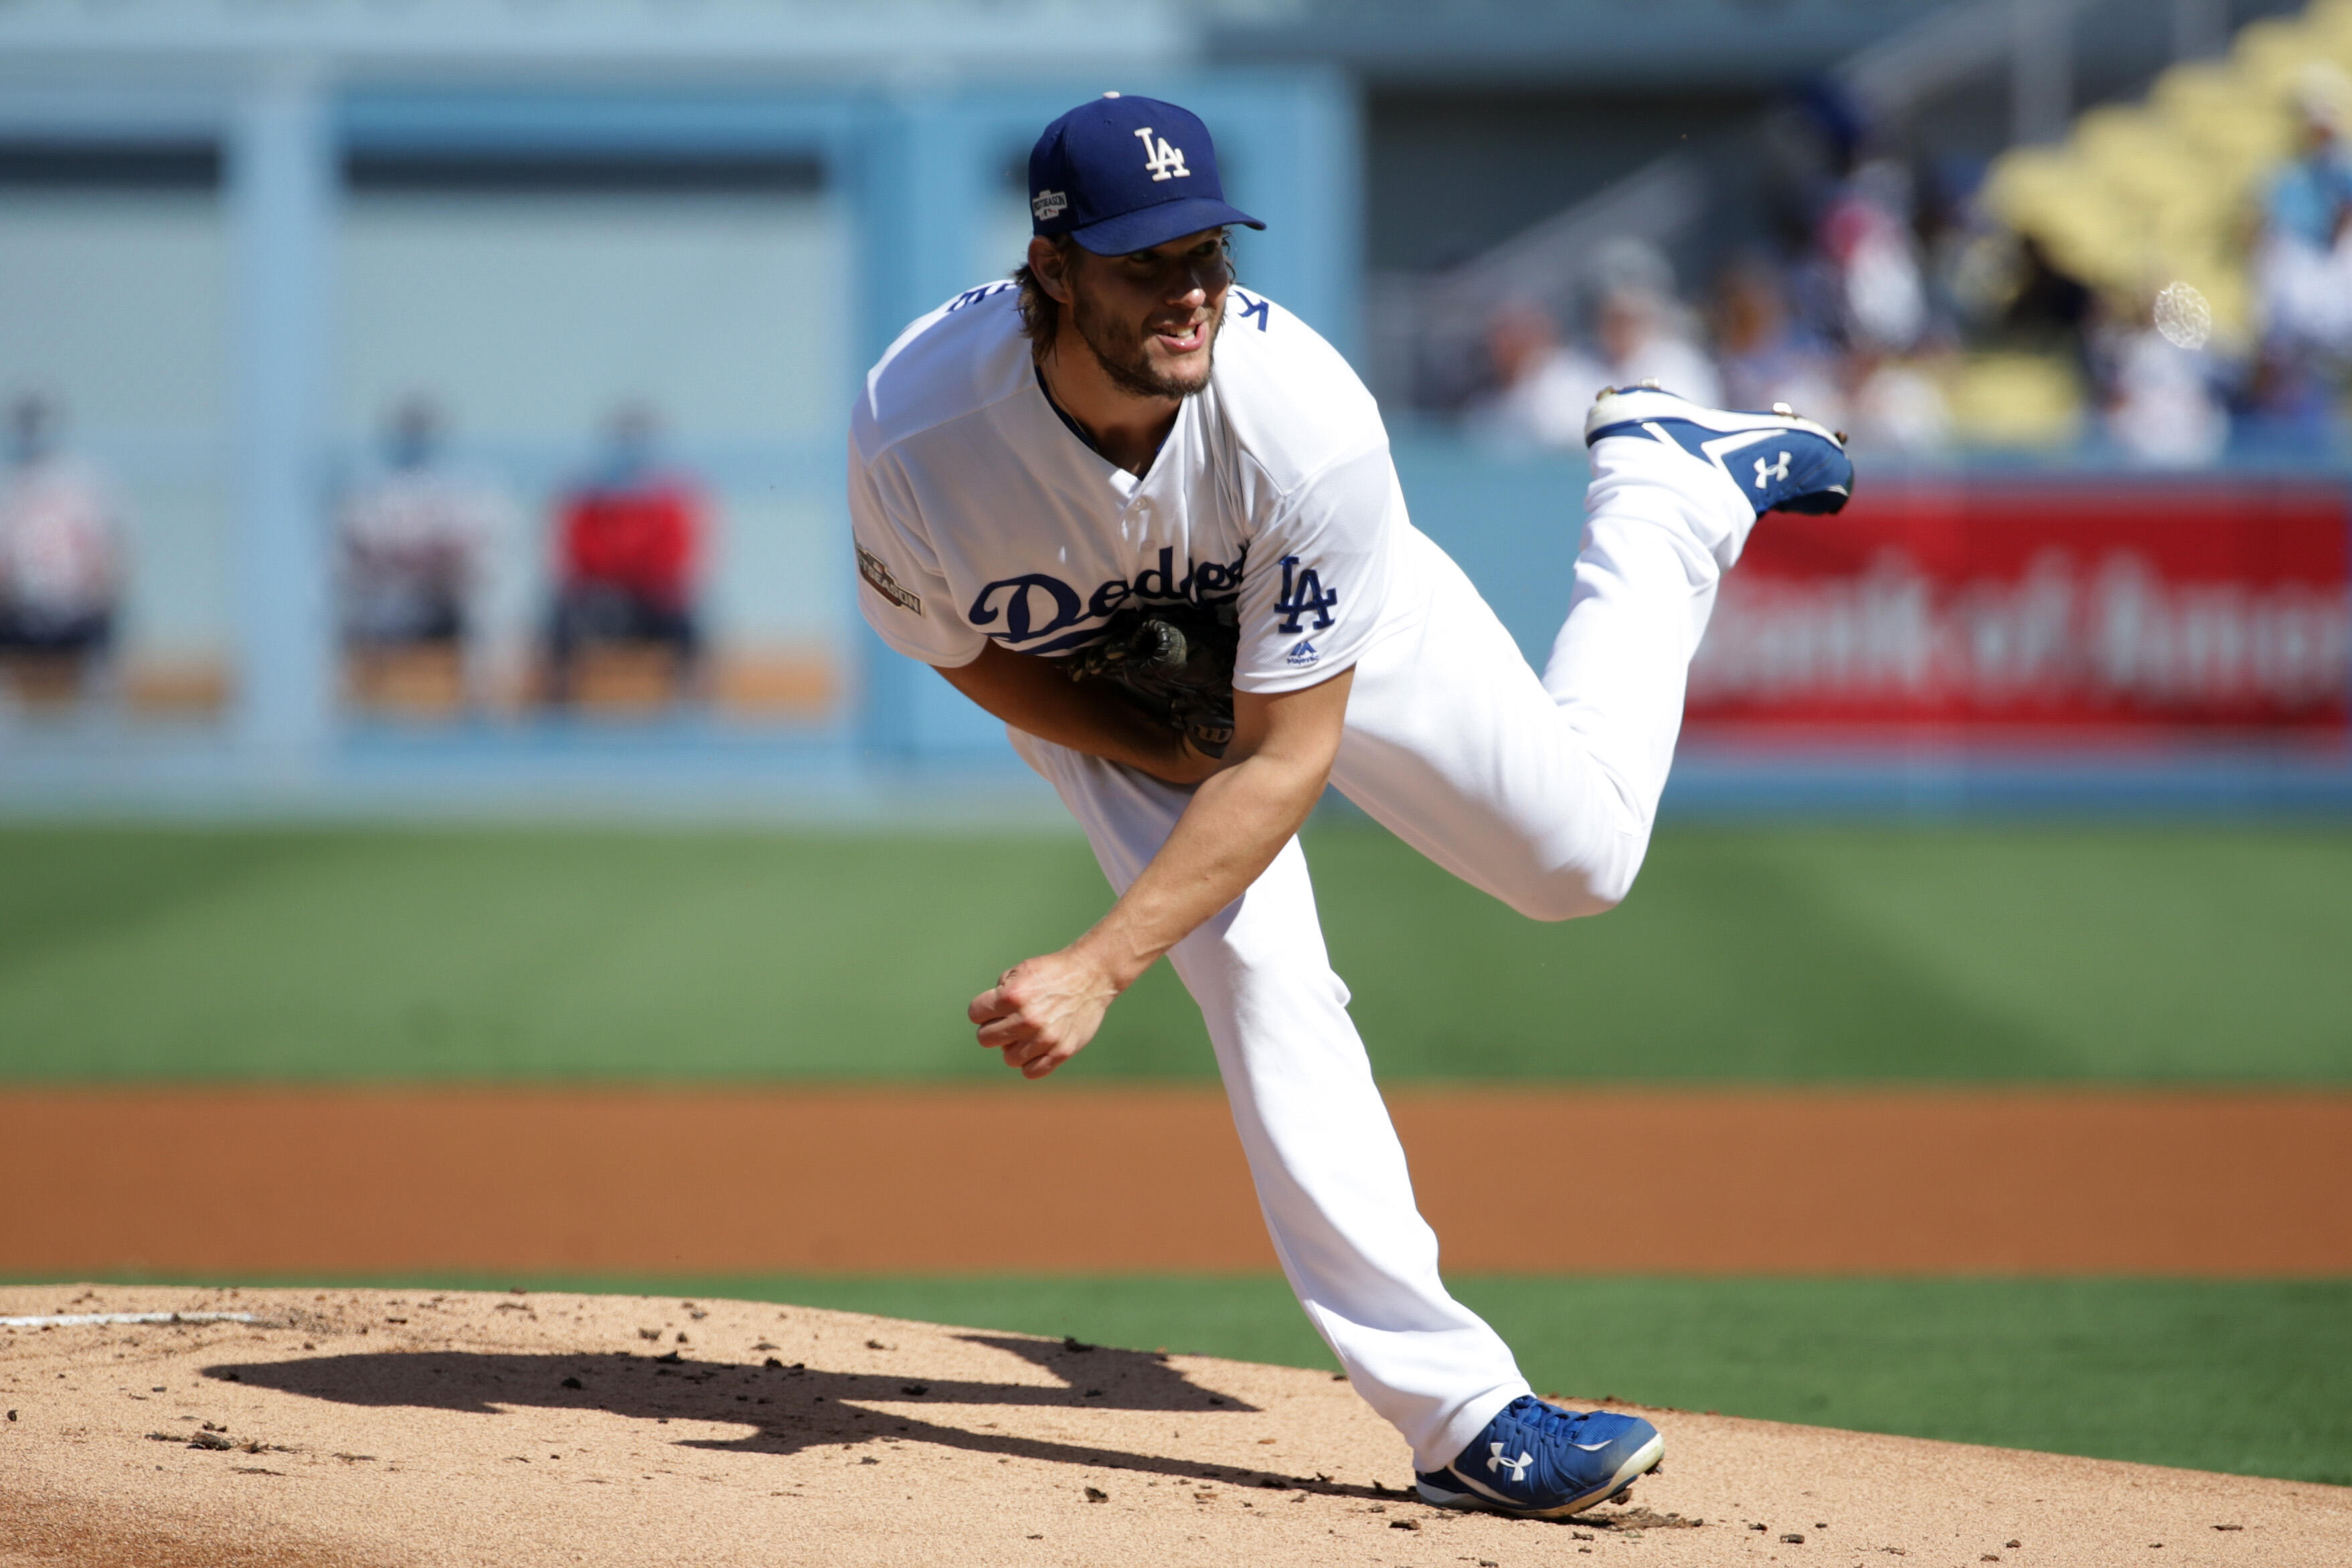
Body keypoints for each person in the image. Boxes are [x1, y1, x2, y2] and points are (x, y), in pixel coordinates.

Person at [847, 94, 1851, 1517]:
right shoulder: (915, 434)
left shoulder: (1302, 416)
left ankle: (1663, 493)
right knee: (1262, 978)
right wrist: (1142, 741)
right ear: (1050, 271)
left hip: (1316, 643)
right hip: (1105, 684)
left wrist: (1099, 959)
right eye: (1145, 260)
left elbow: (1281, 757)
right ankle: (1461, 1413)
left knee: (1576, 864)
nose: (1189, 288)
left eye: (1206, 249)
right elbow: (964, 652)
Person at [339, 398, 513, 695]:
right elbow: (357, 542)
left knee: (484, 614)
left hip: (442, 598)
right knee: (336, 616)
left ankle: (479, 710)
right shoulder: (369, 483)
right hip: (385, 598)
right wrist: (403, 558)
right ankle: (355, 709)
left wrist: (435, 558)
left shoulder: (461, 481)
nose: (414, 438)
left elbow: (478, 540)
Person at [545, 405, 704, 705]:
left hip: (652, 601)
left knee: (685, 618)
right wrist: (622, 571)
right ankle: (559, 701)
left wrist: (634, 570)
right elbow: (579, 554)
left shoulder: (668, 495)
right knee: (562, 614)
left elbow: (674, 555)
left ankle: (689, 702)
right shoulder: (589, 493)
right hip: (603, 599)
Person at [0, 393, 121, 680]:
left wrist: (89, 600)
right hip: (20, 618)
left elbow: (107, 562)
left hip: (78, 618)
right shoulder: (8, 486)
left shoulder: (85, 484)